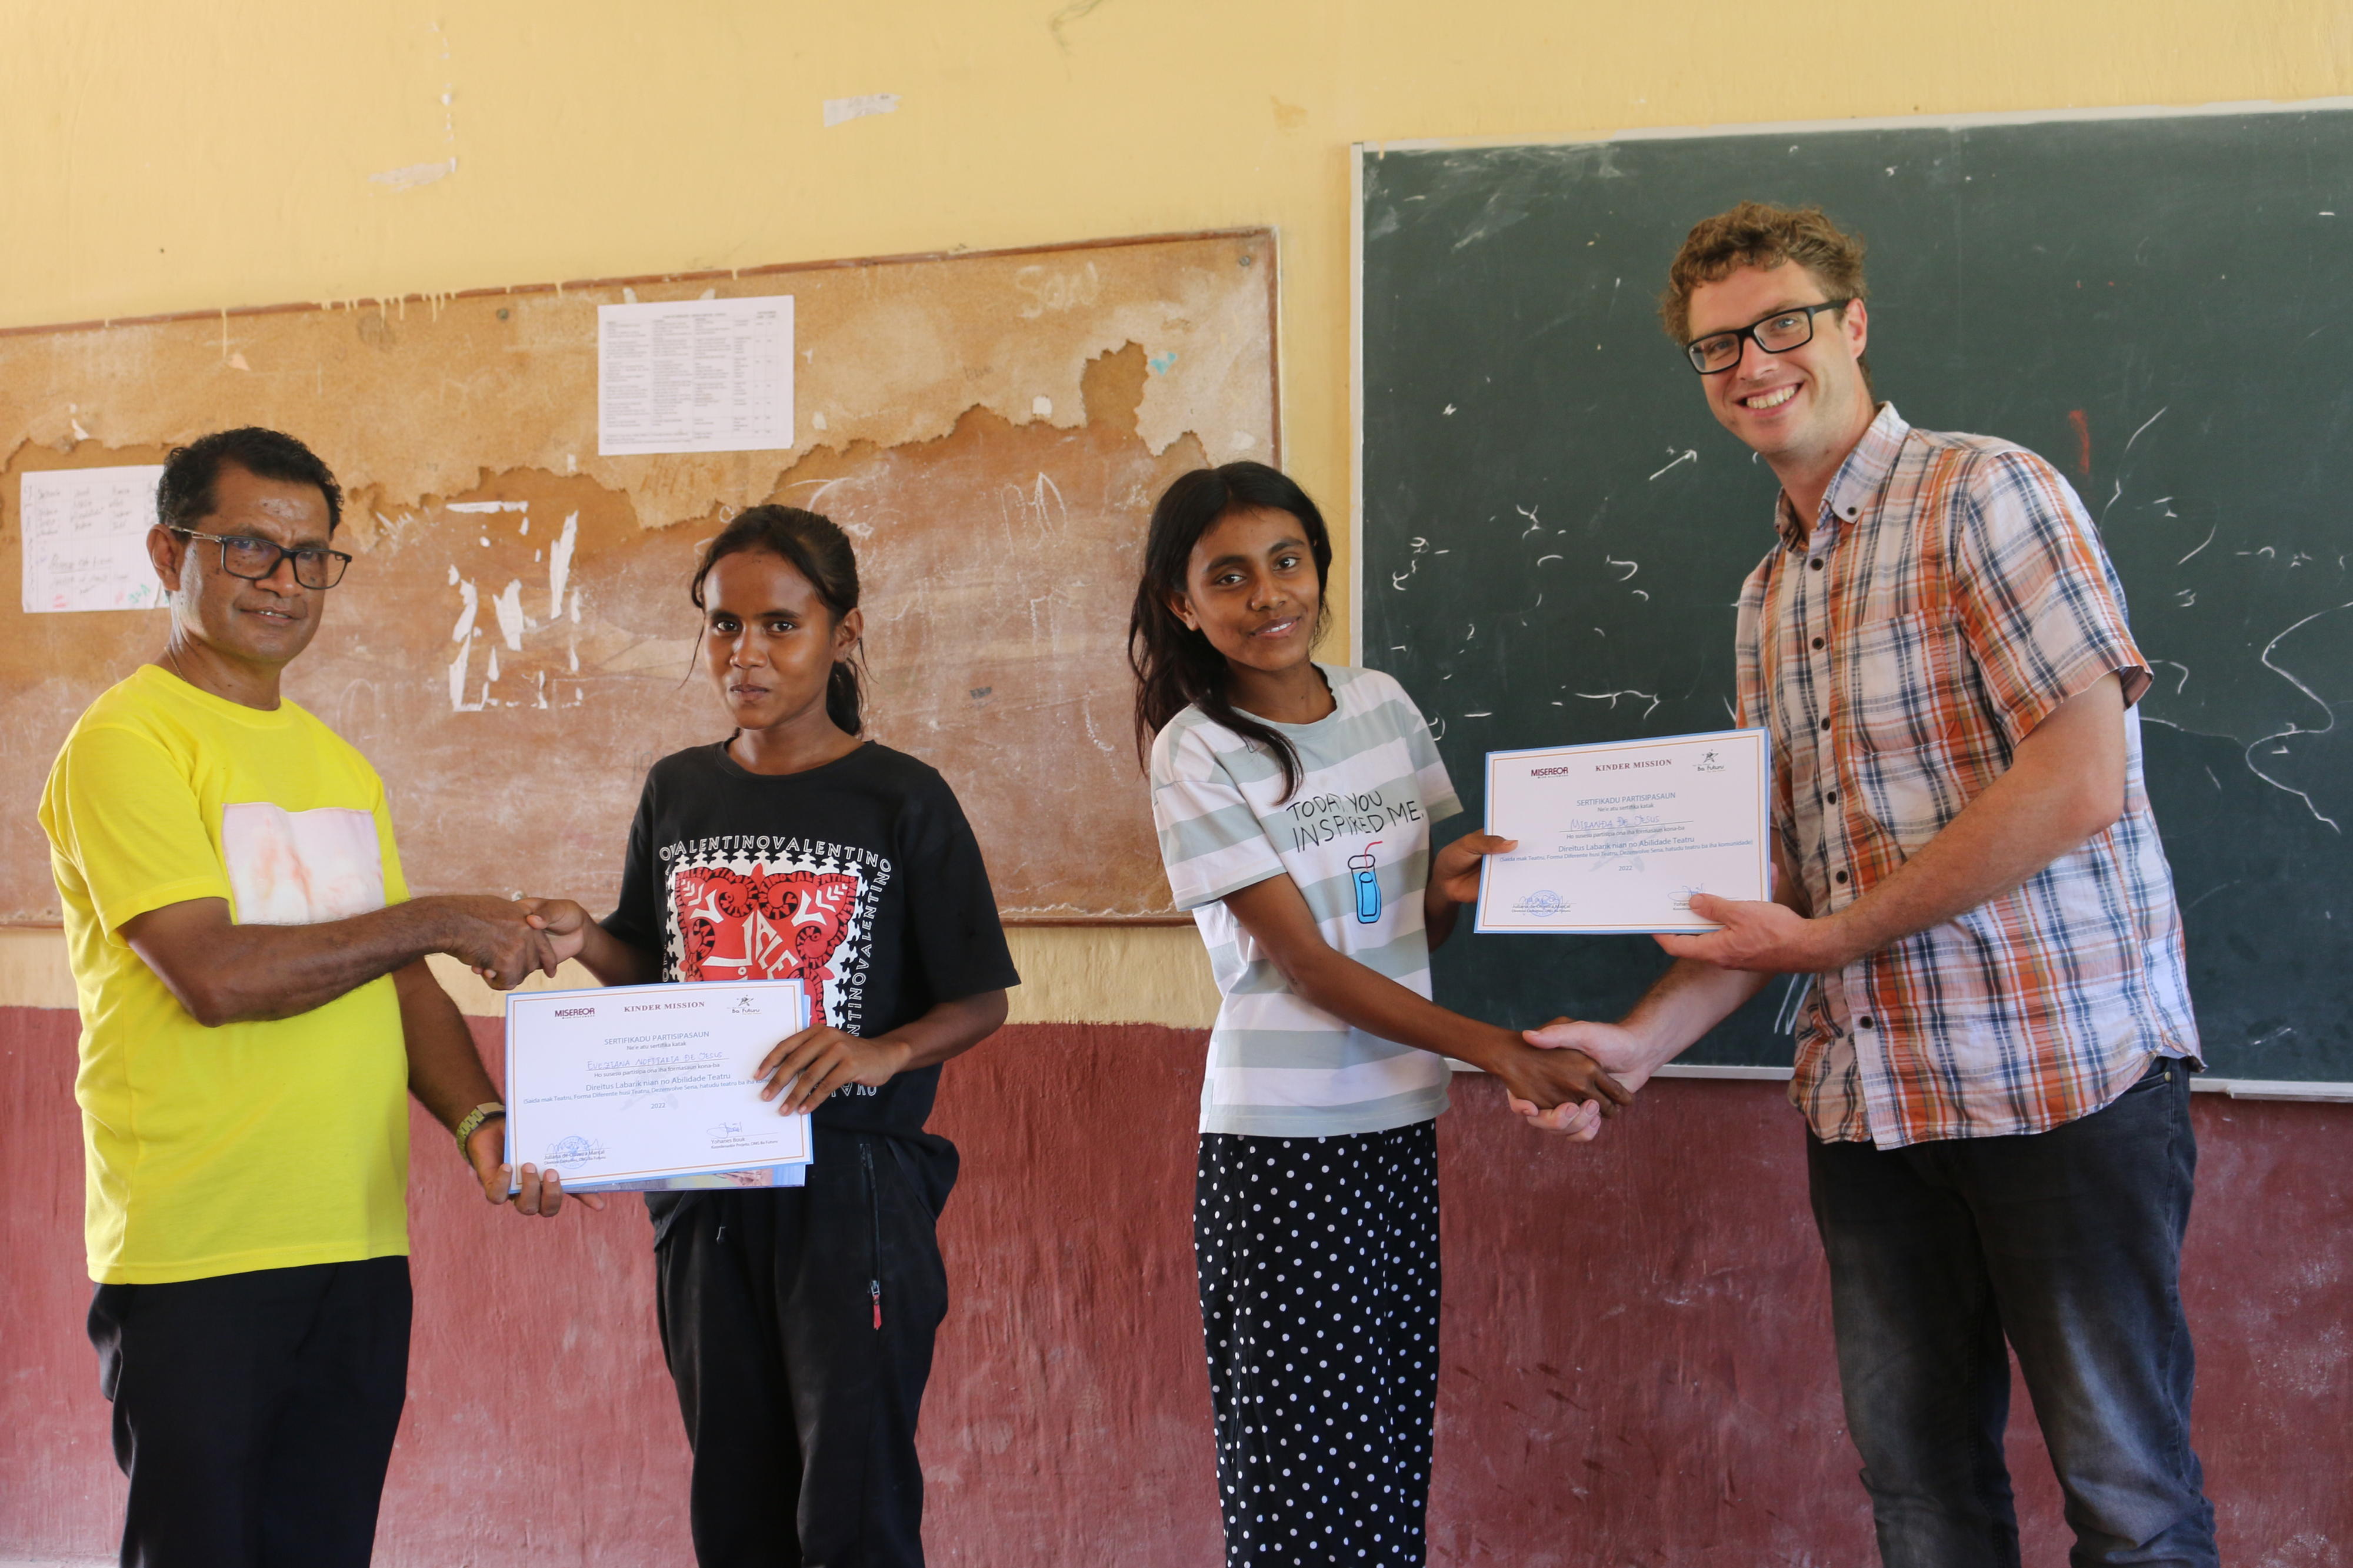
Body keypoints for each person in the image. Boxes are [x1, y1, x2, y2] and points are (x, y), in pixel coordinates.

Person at [1519, 203, 2214, 1567]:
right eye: (1715, 344)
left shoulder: (1983, 492)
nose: (1749, 361)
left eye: (1780, 322)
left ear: (1849, 325)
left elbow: (2079, 778)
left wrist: (1830, 934)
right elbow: (1768, 886)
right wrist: (1638, 1044)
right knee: (1920, 1504)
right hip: (1872, 1108)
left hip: (2058, 1081)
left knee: (2127, 1506)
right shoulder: (1762, 597)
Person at [36, 426, 590, 1568]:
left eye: (311, 558)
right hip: (196, 1256)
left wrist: (481, 1127)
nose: (285, 583)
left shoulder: (336, 766)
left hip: (353, 1244)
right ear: (167, 553)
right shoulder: (125, 744)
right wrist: (437, 914)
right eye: (250, 549)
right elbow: (215, 975)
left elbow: (395, 981)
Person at [1128, 461, 1629, 1566]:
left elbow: (1411, 933)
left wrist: (1447, 891)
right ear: (1183, 603)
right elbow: (1306, 965)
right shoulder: (1195, 748)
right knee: (1300, 1471)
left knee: (1387, 1451)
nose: (1269, 595)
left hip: (1396, 1122)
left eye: (1289, 560)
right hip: (1282, 1149)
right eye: (1230, 576)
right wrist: (1498, 1052)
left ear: (1319, 564)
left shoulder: (1383, 704)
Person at [522, 505, 1017, 1568]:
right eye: (723, 625)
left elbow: (981, 998)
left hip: (854, 1193)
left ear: (843, 635)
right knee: (735, 1501)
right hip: (705, 1192)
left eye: (780, 625)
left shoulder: (904, 798)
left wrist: (879, 1052)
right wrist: (581, 941)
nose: (745, 652)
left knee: (851, 1506)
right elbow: (653, 967)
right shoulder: (679, 789)